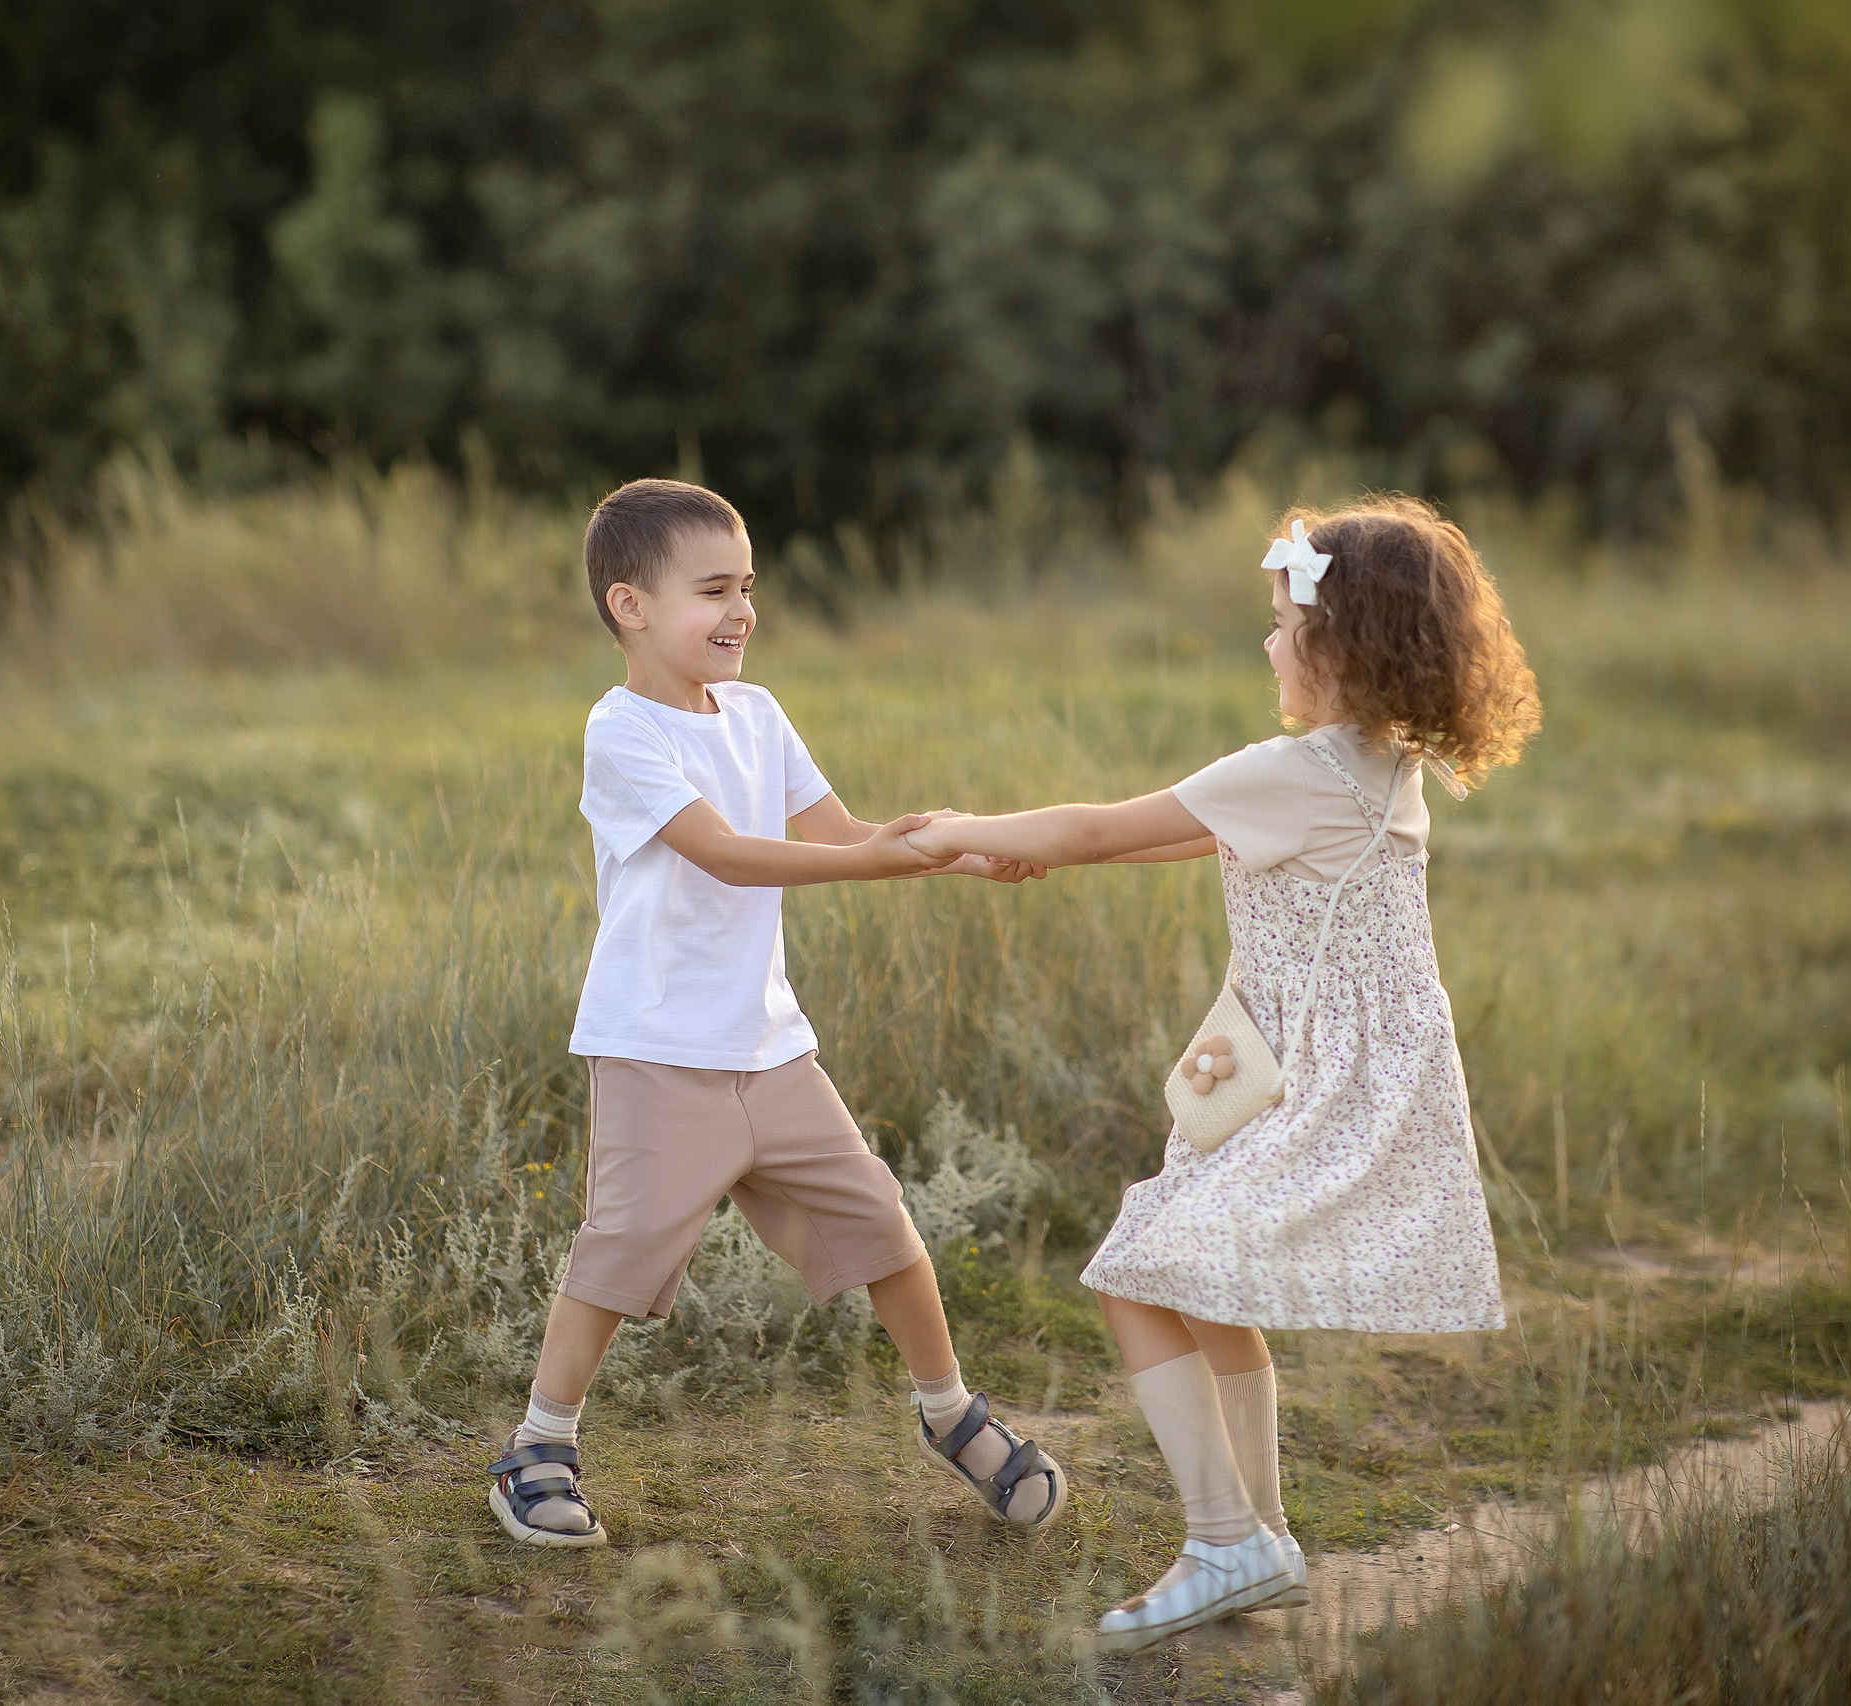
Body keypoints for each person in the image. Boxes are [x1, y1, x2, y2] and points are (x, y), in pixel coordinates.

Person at [902, 494, 1539, 1649]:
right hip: (1303, 1063)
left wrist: (959, 827)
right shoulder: (1371, 763)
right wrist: (1014, 853)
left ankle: (1222, 1537)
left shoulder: (1295, 768)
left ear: (1339, 644)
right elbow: (1182, 835)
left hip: (1307, 1076)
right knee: (1203, 1283)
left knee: (1138, 1270)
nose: (1266, 643)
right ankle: (1263, 1538)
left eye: (1282, 622)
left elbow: (1103, 824)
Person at [485, 478, 1069, 1548]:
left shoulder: (757, 714)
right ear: (631, 606)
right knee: (619, 1251)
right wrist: (880, 864)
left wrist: (958, 850)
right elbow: (725, 851)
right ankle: (538, 1446)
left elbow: (841, 827)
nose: (742, 610)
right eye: (713, 590)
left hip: (771, 1048)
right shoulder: (621, 731)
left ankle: (951, 1413)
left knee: (884, 1228)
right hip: (660, 1048)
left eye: (747, 586)